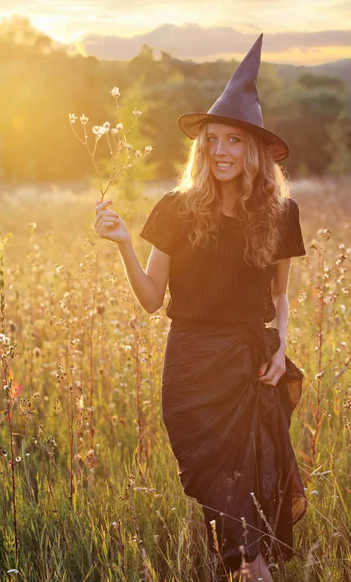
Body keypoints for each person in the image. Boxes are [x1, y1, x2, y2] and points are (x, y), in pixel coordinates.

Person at [94, 34, 307, 581]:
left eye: (234, 140)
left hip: (250, 367)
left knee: (250, 496)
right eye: (213, 139)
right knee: (220, 495)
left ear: (253, 150)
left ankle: (253, 573)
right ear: (201, 147)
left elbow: (280, 297)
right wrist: (122, 244)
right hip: (190, 373)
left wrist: (282, 345)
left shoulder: (282, 214)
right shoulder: (176, 209)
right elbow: (150, 301)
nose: (221, 152)